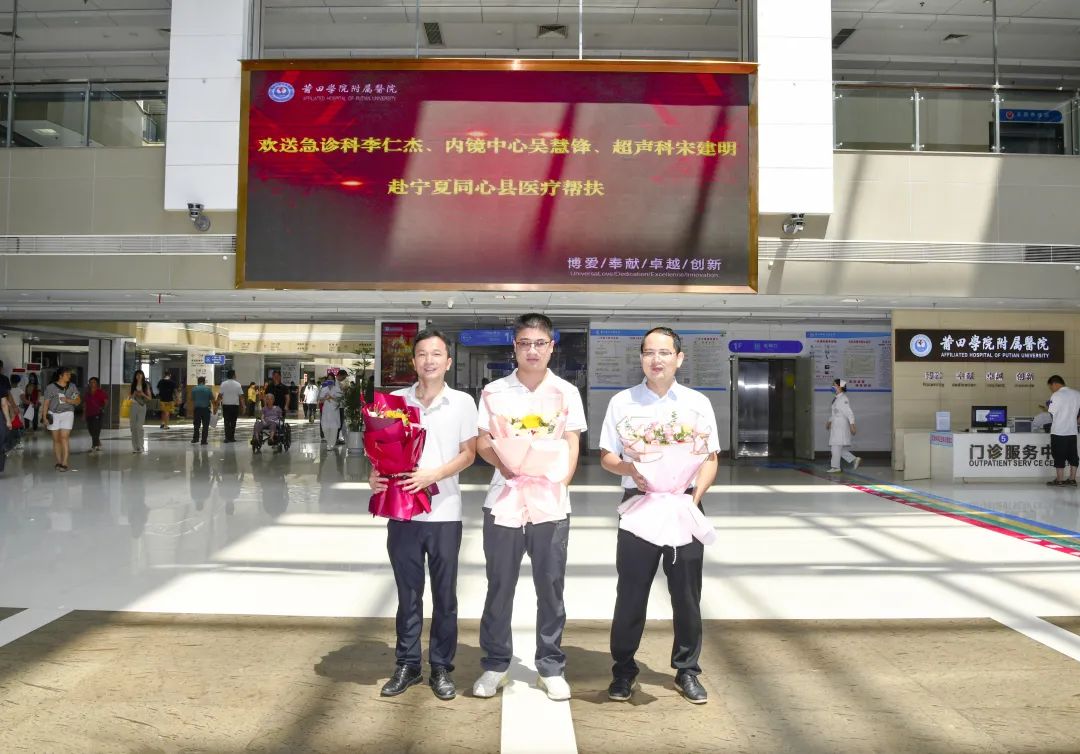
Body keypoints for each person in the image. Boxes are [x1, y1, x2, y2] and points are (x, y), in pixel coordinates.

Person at [597, 327, 720, 705]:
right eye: (649, 352)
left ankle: (687, 669)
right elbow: (607, 456)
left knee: (686, 593)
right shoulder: (622, 402)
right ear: (641, 358)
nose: (656, 359)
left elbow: (710, 458)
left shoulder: (698, 403)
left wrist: (693, 499)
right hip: (641, 503)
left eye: (664, 352)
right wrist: (629, 470)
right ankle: (623, 670)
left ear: (679, 358)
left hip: (684, 504)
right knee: (631, 592)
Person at [473, 313, 586, 702]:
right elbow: (483, 441)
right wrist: (507, 465)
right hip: (504, 498)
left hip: (550, 502)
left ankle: (550, 666)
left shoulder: (566, 392)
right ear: (515, 347)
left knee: (550, 586)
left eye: (540, 343)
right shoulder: (495, 391)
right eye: (525, 343)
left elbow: (572, 440)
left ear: (552, 347)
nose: (532, 350)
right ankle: (495, 664)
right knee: (499, 584)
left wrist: (562, 480)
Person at [371, 329, 478, 700]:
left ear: (448, 362)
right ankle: (408, 664)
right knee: (408, 594)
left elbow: (469, 454)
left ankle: (442, 667)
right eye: (422, 354)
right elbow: (382, 453)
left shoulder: (462, 403)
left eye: (436, 354)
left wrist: (434, 475)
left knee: (445, 596)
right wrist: (375, 475)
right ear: (414, 361)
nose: (429, 360)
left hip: (445, 512)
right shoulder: (395, 402)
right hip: (403, 513)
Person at [42, 366, 81, 472]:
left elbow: (78, 401)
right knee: (56, 439)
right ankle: (59, 461)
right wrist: (44, 417)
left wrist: (68, 400)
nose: (69, 376)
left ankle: (65, 463)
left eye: (70, 374)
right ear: (60, 376)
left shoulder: (72, 387)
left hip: (68, 413)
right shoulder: (50, 387)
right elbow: (46, 403)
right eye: (67, 374)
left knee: (64, 438)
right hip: (53, 414)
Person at [1045, 375, 1080, 487]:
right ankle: (1072, 479)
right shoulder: (1077, 394)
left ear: (1054, 384)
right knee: (1073, 455)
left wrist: (1048, 406)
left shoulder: (1056, 395)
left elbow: (1051, 413)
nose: (1051, 389)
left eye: (1051, 387)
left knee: (1058, 455)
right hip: (1072, 431)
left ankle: (1059, 480)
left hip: (1059, 432)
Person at [826, 378, 860, 473]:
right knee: (837, 447)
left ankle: (836, 467)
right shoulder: (837, 398)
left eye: (834, 385)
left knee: (835, 447)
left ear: (840, 387)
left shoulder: (843, 399)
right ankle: (854, 459)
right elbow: (835, 413)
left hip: (840, 425)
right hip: (836, 425)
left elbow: (849, 413)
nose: (832, 386)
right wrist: (829, 421)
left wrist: (852, 425)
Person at [217, 370, 244, 443]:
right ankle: (232, 437)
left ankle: (227, 438)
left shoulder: (223, 384)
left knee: (226, 422)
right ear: (233, 375)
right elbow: (241, 397)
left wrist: (217, 404)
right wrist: (243, 406)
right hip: (235, 406)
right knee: (233, 422)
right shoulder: (238, 384)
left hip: (226, 406)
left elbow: (220, 395)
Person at [129, 370, 152, 454]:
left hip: (142, 406)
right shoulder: (133, 385)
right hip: (133, 406)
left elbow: (149, 398)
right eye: (137, 375)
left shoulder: (146, 385)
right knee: (133, 427)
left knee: (139, 426)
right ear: (135, 376)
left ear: (143, 376)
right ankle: (135, 447)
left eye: (140, 374)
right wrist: (134, 394)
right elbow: (129, 397)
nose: (139, 376)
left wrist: (142, 394)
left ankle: (140, 446)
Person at [318, 370, 344, 445]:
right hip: (326, 409)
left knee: (334, 427)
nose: (330, 380)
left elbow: (340, 399)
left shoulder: (337, 389)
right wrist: (325, 398)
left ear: (334, 380)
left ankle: (332, 443)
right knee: (325, 426)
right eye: (328, 379)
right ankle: (328, 441)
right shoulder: (324, 389)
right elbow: (320, 400)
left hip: (334, 409)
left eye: (331, 379)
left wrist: (331, 397)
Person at [84, 377, 108, 453]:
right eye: (90, 382)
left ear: (97, 383)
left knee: (96, 430)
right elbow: (85, 404)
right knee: (90, 430)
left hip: (98, 413)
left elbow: (106, 401)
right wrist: (83, 414)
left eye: (94, 382)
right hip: (89, 414)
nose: (92, 384)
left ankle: (94, 446)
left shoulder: (101, 392)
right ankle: (97, 442)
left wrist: (103, 408)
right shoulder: (87, 393)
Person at [190, 376, 214, 446]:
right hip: (206, 409)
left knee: (196, 425)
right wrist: (214, 408)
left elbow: (192, 399)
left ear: (198, 381)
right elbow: (212, 398)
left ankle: (195, 439)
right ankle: (204, 440)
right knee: (205, 425)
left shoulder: (194, 388)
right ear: (204, 381)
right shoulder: (208, 389)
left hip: (197, 409)